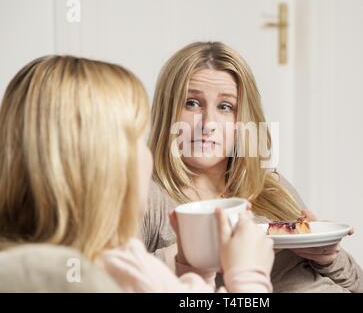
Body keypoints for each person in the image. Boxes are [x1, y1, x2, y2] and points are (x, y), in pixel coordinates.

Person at [0, 55, 274, 292]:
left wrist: (191, 269)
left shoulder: (123, 260)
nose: (148, 153)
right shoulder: (98, 277)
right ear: (98, 166)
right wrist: (248, 278)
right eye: (135, 138)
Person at [142, 41, 363, 292]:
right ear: (167, 111)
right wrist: (192, 253)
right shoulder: (149, 195)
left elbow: (360, 287)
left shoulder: (270, 186)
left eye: (225, 107)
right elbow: (109, 281)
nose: (208, 124)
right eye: (192, 103)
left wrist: (329, 258)